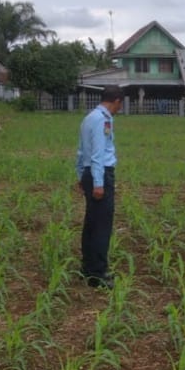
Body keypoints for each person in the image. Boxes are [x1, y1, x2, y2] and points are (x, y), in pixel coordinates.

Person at [75, 85, 124, 289]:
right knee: (102, 226)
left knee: (91, 223)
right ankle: (98, 273)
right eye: (120, 105)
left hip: (89, 172)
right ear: (116, 101)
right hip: (100, 173)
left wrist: (81, 176)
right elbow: (97, 154)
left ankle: (88, 268)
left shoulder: (89, 117)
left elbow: (80, 151)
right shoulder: (102, 119)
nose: (119, 109)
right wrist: (98, 182)